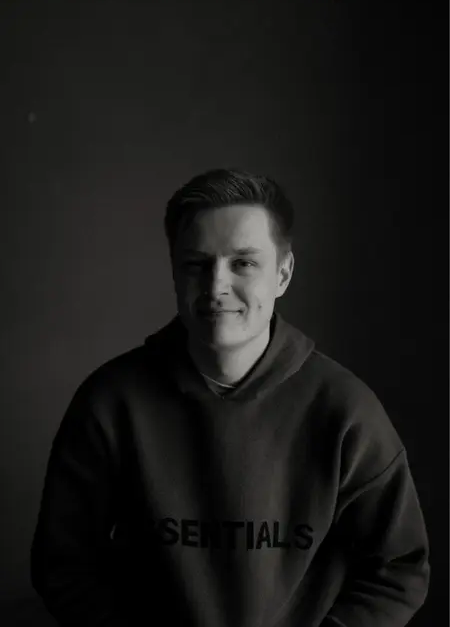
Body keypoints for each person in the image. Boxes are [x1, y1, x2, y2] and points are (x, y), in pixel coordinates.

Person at [30, 169, 430, 627]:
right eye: (197, 264)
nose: (216, 286)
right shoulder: (111, 402)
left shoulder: (345, 410)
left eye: (243, 263)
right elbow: (64, 563)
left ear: (283, 273)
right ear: (175, 271)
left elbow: (399, 568)